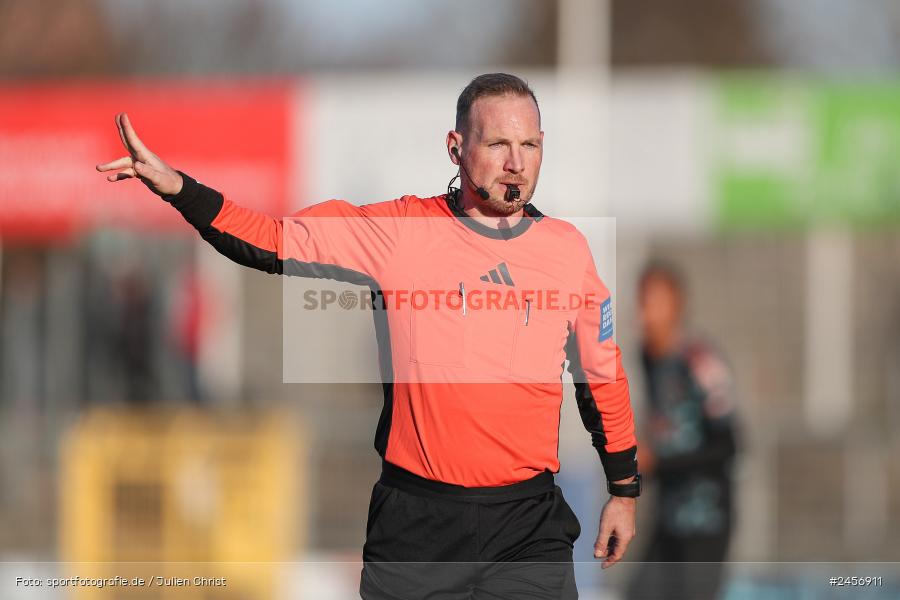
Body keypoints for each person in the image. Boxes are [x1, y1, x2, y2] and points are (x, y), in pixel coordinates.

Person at [97, 73, 641, 599]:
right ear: (456, 148)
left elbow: (602, 377)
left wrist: (623, 489)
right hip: (417, 525)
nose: (516, 162)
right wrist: (177, 188)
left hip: (527, 526)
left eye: (530, 144)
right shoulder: (399, 231)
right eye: (497, 143)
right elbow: (271, 239)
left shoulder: (567, 251)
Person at [626, 261, 740, 600]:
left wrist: (657, 462)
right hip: (668, 516)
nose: (645, 312)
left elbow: (728, 446)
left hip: (705, 521)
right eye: (642, 300)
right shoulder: (648, 357)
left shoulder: (701, 361)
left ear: (677, 305)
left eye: (654, 301)